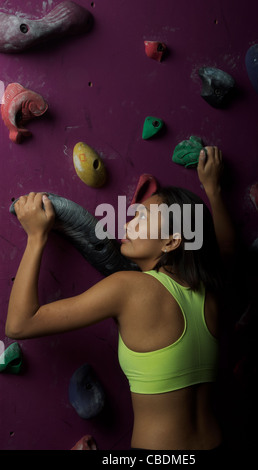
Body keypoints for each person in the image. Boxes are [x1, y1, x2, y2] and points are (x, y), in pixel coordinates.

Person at [5, 146, 236, 451]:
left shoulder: (129, 287)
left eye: (142, 217)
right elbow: (228, 251)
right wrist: (214, 191)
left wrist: (36, 237)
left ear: (171, 240)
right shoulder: (211, 293)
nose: (128, 224)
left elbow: (20, 324)